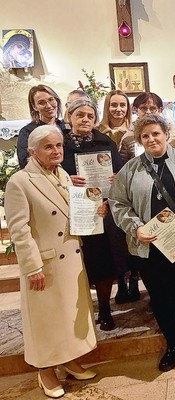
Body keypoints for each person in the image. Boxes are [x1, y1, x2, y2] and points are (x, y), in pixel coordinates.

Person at [109, 114, 175, 372]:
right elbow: (118, 203)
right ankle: (172, 345)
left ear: (166, 134)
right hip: (150, 246)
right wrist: (136, 228)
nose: (151, 139)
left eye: (156, 133)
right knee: (160, 297)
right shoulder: (130, 169)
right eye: (145, 136)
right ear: (140, 140)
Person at [5, 125, 98, 398]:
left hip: (71, 258)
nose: (56, 151)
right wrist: (32, 266)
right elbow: (19, 230)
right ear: (32, 151)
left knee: (69, 315)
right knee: (46, 320)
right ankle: (45, 370)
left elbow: (73, 215)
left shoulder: (63, 174)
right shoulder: (20, 182)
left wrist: (94, 206)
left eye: (58, 145)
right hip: (44, 264)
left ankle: (69, 359)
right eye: (48, 147)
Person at [62, 99, 124, 331]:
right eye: (80, 115)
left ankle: (105, 310)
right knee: (76, 261)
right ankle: (81, 311)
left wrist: (115, 179)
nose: (85, 119)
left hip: (101, 209)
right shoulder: (61, 144)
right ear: (70, 117)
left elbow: (119, 172)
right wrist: (68, 180)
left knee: (103, 261)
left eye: (90, 115)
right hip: (70, 210)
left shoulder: (105, 141)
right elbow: (50, 172)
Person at [118, 92, 175, 164]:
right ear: (136, 109)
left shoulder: (174, 131)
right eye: (143, 108)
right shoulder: (128, 137)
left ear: (160, 110)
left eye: (153, 108)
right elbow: (123, 165)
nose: (148, 112)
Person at [17, 85, 65, 168]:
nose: (49, 106)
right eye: (41, 103)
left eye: (51, 100)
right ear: (34, 107)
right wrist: (61, 176)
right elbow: (25, 162)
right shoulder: (27, 132)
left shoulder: (65, 127)